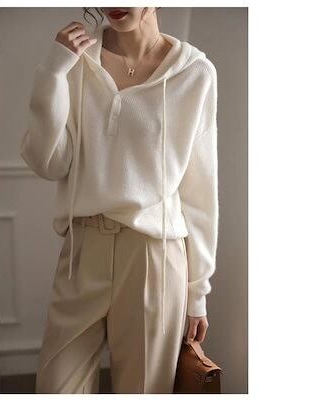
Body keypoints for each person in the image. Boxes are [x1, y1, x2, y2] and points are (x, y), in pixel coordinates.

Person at [20, 7, 219, 394]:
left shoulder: (195, 73)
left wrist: (198, 292)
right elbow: (48, 162)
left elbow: (200, 189)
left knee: (143, 389)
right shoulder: (76, 62)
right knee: (57, 386)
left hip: (153, 255)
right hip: (83, 248)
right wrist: (52, 74)